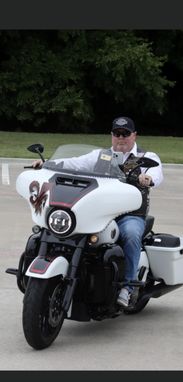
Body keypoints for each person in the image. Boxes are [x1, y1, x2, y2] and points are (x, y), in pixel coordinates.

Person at [33, 116, 163, 307]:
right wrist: (48, 164)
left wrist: (148, 178)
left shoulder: (147, 158)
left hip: (129, 215)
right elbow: (74, 163)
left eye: (125, 133)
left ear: (134, 135)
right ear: (111, 135)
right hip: (100, 212)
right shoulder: (101, 155)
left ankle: (128, 287)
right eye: (117, 133)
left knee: (131, 235)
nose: (121, 138)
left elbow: (157, 175)